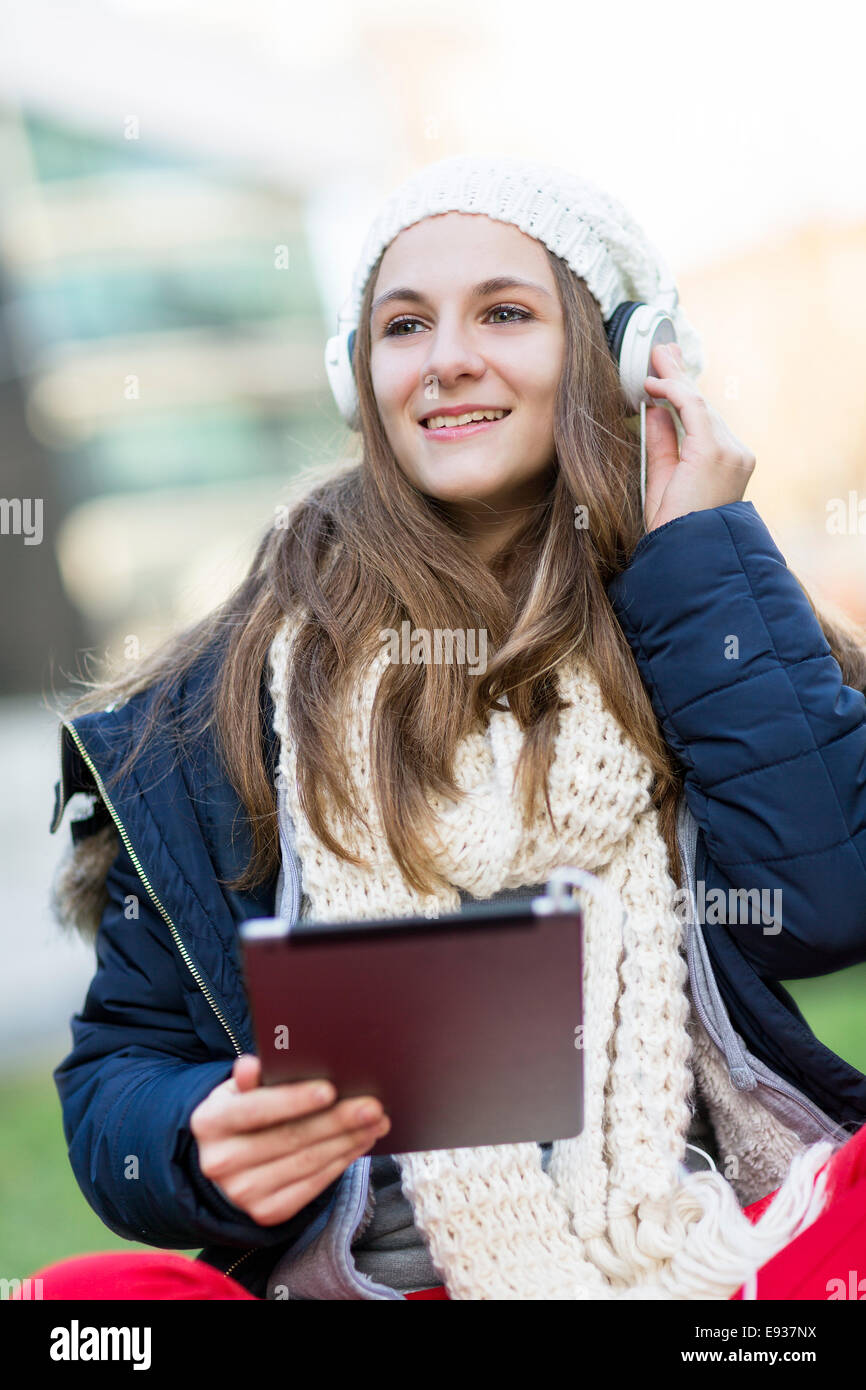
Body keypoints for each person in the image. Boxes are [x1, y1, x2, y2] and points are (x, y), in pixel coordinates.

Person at [31, 154, 866, 1301]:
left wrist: (702, 554)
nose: (447, 358)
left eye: (506, 314)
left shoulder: (704, 611)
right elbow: (116, 1071)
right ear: (356, 376)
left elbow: (825, 904)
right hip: (374, 1279)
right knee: (88, 1305)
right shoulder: (212, 707)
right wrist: (188, 1134)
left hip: (700, 1247)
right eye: (404, 325)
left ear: (622, 352)